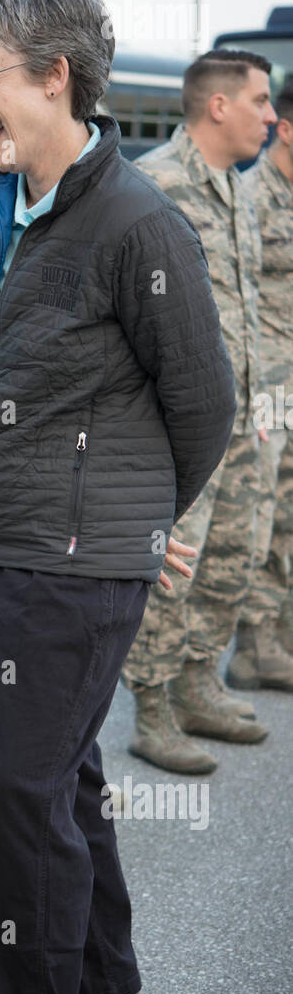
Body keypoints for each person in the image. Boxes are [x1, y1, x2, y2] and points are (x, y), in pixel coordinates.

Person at [0, 0, 236, 994]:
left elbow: (202, 401)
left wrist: (137, 518)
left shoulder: (138, 225)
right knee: (57, 773)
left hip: (72, 560)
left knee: (19, 801)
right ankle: (102, 984)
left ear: (55, 75)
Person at [122, 49, 278, 772]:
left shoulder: (239, 189)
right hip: (178, 421)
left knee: (231, 554)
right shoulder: (155, 185)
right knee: (172, 564)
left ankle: (196, 681)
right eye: (259, 102)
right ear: (217, 106)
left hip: (245, 410)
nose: (270, 117)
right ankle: (150, 707)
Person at [227, 75, 293, 690]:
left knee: (290, 518)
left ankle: (279, 631)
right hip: (267, 387)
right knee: (262, 515)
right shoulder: (251, 197)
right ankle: (255, 643)